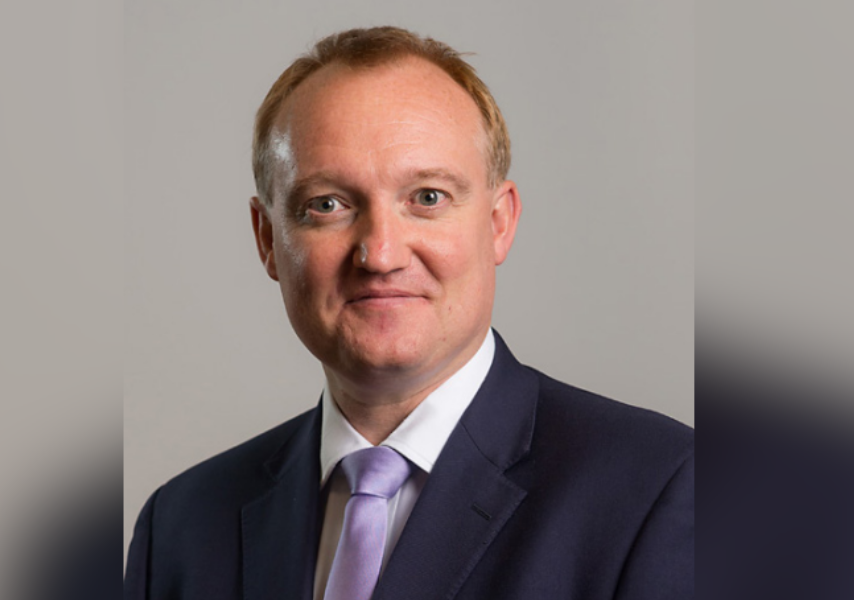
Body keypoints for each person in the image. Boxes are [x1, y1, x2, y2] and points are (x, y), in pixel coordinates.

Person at [125, 26, 693, 600]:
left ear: (499, 223)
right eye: (327, 204)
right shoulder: (180, 527)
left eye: (427, 197)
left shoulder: (662, 490)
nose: (380, 255)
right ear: (267, 238)